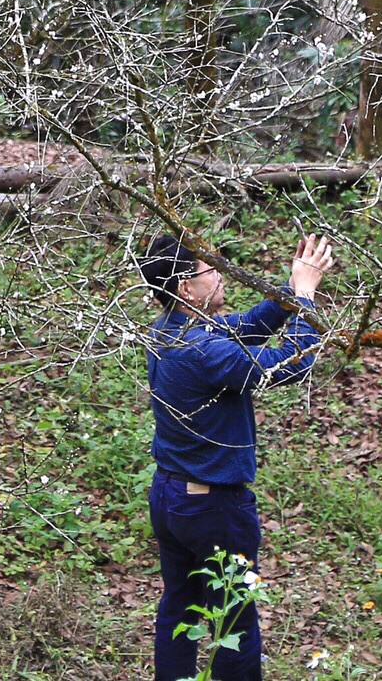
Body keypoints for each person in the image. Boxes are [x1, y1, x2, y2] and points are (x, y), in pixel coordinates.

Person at [140, 232, 335, 681]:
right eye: (210, 269)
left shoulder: (172, 331)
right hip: (212, 506)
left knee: (181, 608)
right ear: (186, 288)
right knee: (235, 619)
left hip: (171, 495)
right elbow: (292, 362)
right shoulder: (204, 350)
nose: (220, 273)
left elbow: (246, 326)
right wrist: (306, 296)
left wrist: (291, 291)